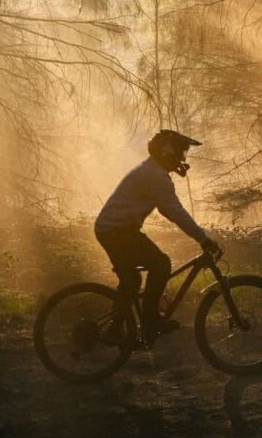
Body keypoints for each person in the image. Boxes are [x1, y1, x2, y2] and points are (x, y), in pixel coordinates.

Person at [95, 129, 221, 337]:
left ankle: (116, 328)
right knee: (160, 264)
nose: (182, 158)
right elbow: (174, 211)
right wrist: (202, 238)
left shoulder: (151, 170)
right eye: (180, 153)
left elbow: (169, 210)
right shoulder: (155, 176)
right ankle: (150, 320)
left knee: (131, 280)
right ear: (167, 152)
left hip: (115, 229)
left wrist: (200, 236)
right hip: (116, 230)